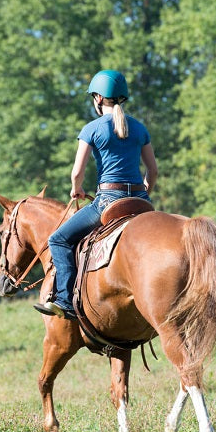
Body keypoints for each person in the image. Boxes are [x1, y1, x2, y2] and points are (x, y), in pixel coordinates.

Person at [34, 69, 159, 320]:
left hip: (107, 201)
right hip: (140, 201)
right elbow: (153, 171)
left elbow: (76, 172)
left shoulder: (92, 128)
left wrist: (76, 189)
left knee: (58, 240)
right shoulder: (139, 128)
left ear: (99, 98)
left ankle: (64, 300)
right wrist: (143, 193)